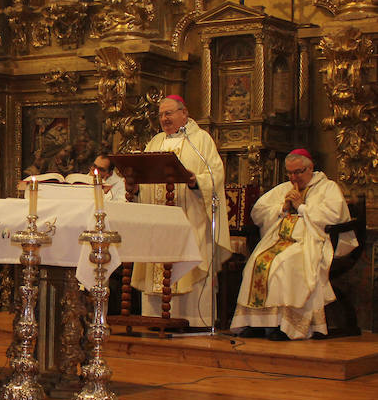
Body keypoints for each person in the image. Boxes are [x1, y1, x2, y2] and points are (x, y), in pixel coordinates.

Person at [230, 150, 357, 340]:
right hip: (280, 241)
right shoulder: (283, 188)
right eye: (289, 173)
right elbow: (258, 212)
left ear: (311, 168)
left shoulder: (327, 187)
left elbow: (334, 216)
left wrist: (302, 207)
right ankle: (257, 323)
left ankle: (286, 325)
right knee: (256, 262)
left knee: (284, 264)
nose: (294, 177)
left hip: (312, 242)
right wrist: (282, 208)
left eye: (298, 172)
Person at [131, 95, 232, 327]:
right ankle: (154, 320)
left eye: (169, 113)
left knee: (188, 264)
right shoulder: (155, 142)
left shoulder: (200, 140)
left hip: (190, 219)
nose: (164, 119)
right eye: (161, 115)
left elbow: (216, 174)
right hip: (158, 222)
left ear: (184, 113)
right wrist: (136, 187)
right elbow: (145, 178)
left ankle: (193, 320)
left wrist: (197, 181)